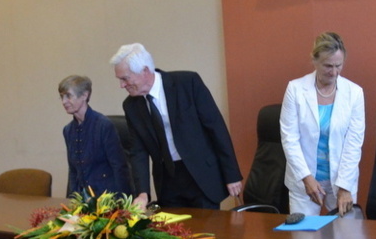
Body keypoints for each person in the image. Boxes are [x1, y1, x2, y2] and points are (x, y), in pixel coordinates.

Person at [110, 43, 243, 210]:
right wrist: (142, 193)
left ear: (144, 71)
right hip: (168, 182)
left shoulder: (187, 83)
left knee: (208, 233)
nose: (122, 85)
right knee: (174, 233)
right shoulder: (131, 106)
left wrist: (231, 174)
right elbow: (138, 151)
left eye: (125, 78)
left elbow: (216, 128)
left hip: (201, 176)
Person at [279, 32, 365, 217]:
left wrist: (345, 186)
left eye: (338, 66)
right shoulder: (295, 89)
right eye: (328, 66)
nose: (334, 72)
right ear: (314, 61)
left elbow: (354, 143)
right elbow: (289, 139)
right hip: (304, 179)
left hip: (342, 179)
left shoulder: (355, 93)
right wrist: (306, 178)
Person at [59, 75, 132, 196]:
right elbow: (73, 170)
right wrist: (71, 201)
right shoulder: (68, 130)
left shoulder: (104, 125)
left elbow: (119, 167)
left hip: (107, 198)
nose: (64, 102)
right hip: (82, 200)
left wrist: (123, 203)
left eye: (68, 96)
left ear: (84, 95)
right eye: (61, 97)